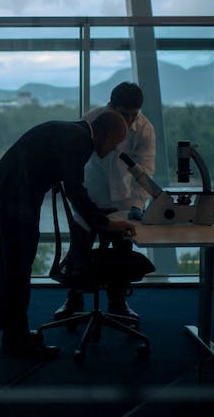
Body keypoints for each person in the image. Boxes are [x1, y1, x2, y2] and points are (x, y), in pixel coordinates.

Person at [0, 110, 138, 358]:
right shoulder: (79, 141)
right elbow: (75, 191)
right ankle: (16, 339)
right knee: (18, 267)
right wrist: (105, 224)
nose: (112, 150)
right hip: (13, 198)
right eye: (114, 143)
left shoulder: (72, 133)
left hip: (4, 192)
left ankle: (12, 333)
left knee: (12, 266)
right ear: (105, 134)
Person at [54, 81, 156, 322]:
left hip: (124, 200)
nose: (130, 120)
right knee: (79, 249)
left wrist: (138, 206)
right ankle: (74, 299)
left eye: (134, 114)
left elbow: (146, 170)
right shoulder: (92, 120)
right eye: (124, 114)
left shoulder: (145, 129)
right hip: (91, 195)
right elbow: (76, 162)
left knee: (122, 253)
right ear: (111, 107)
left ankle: (118, 302)